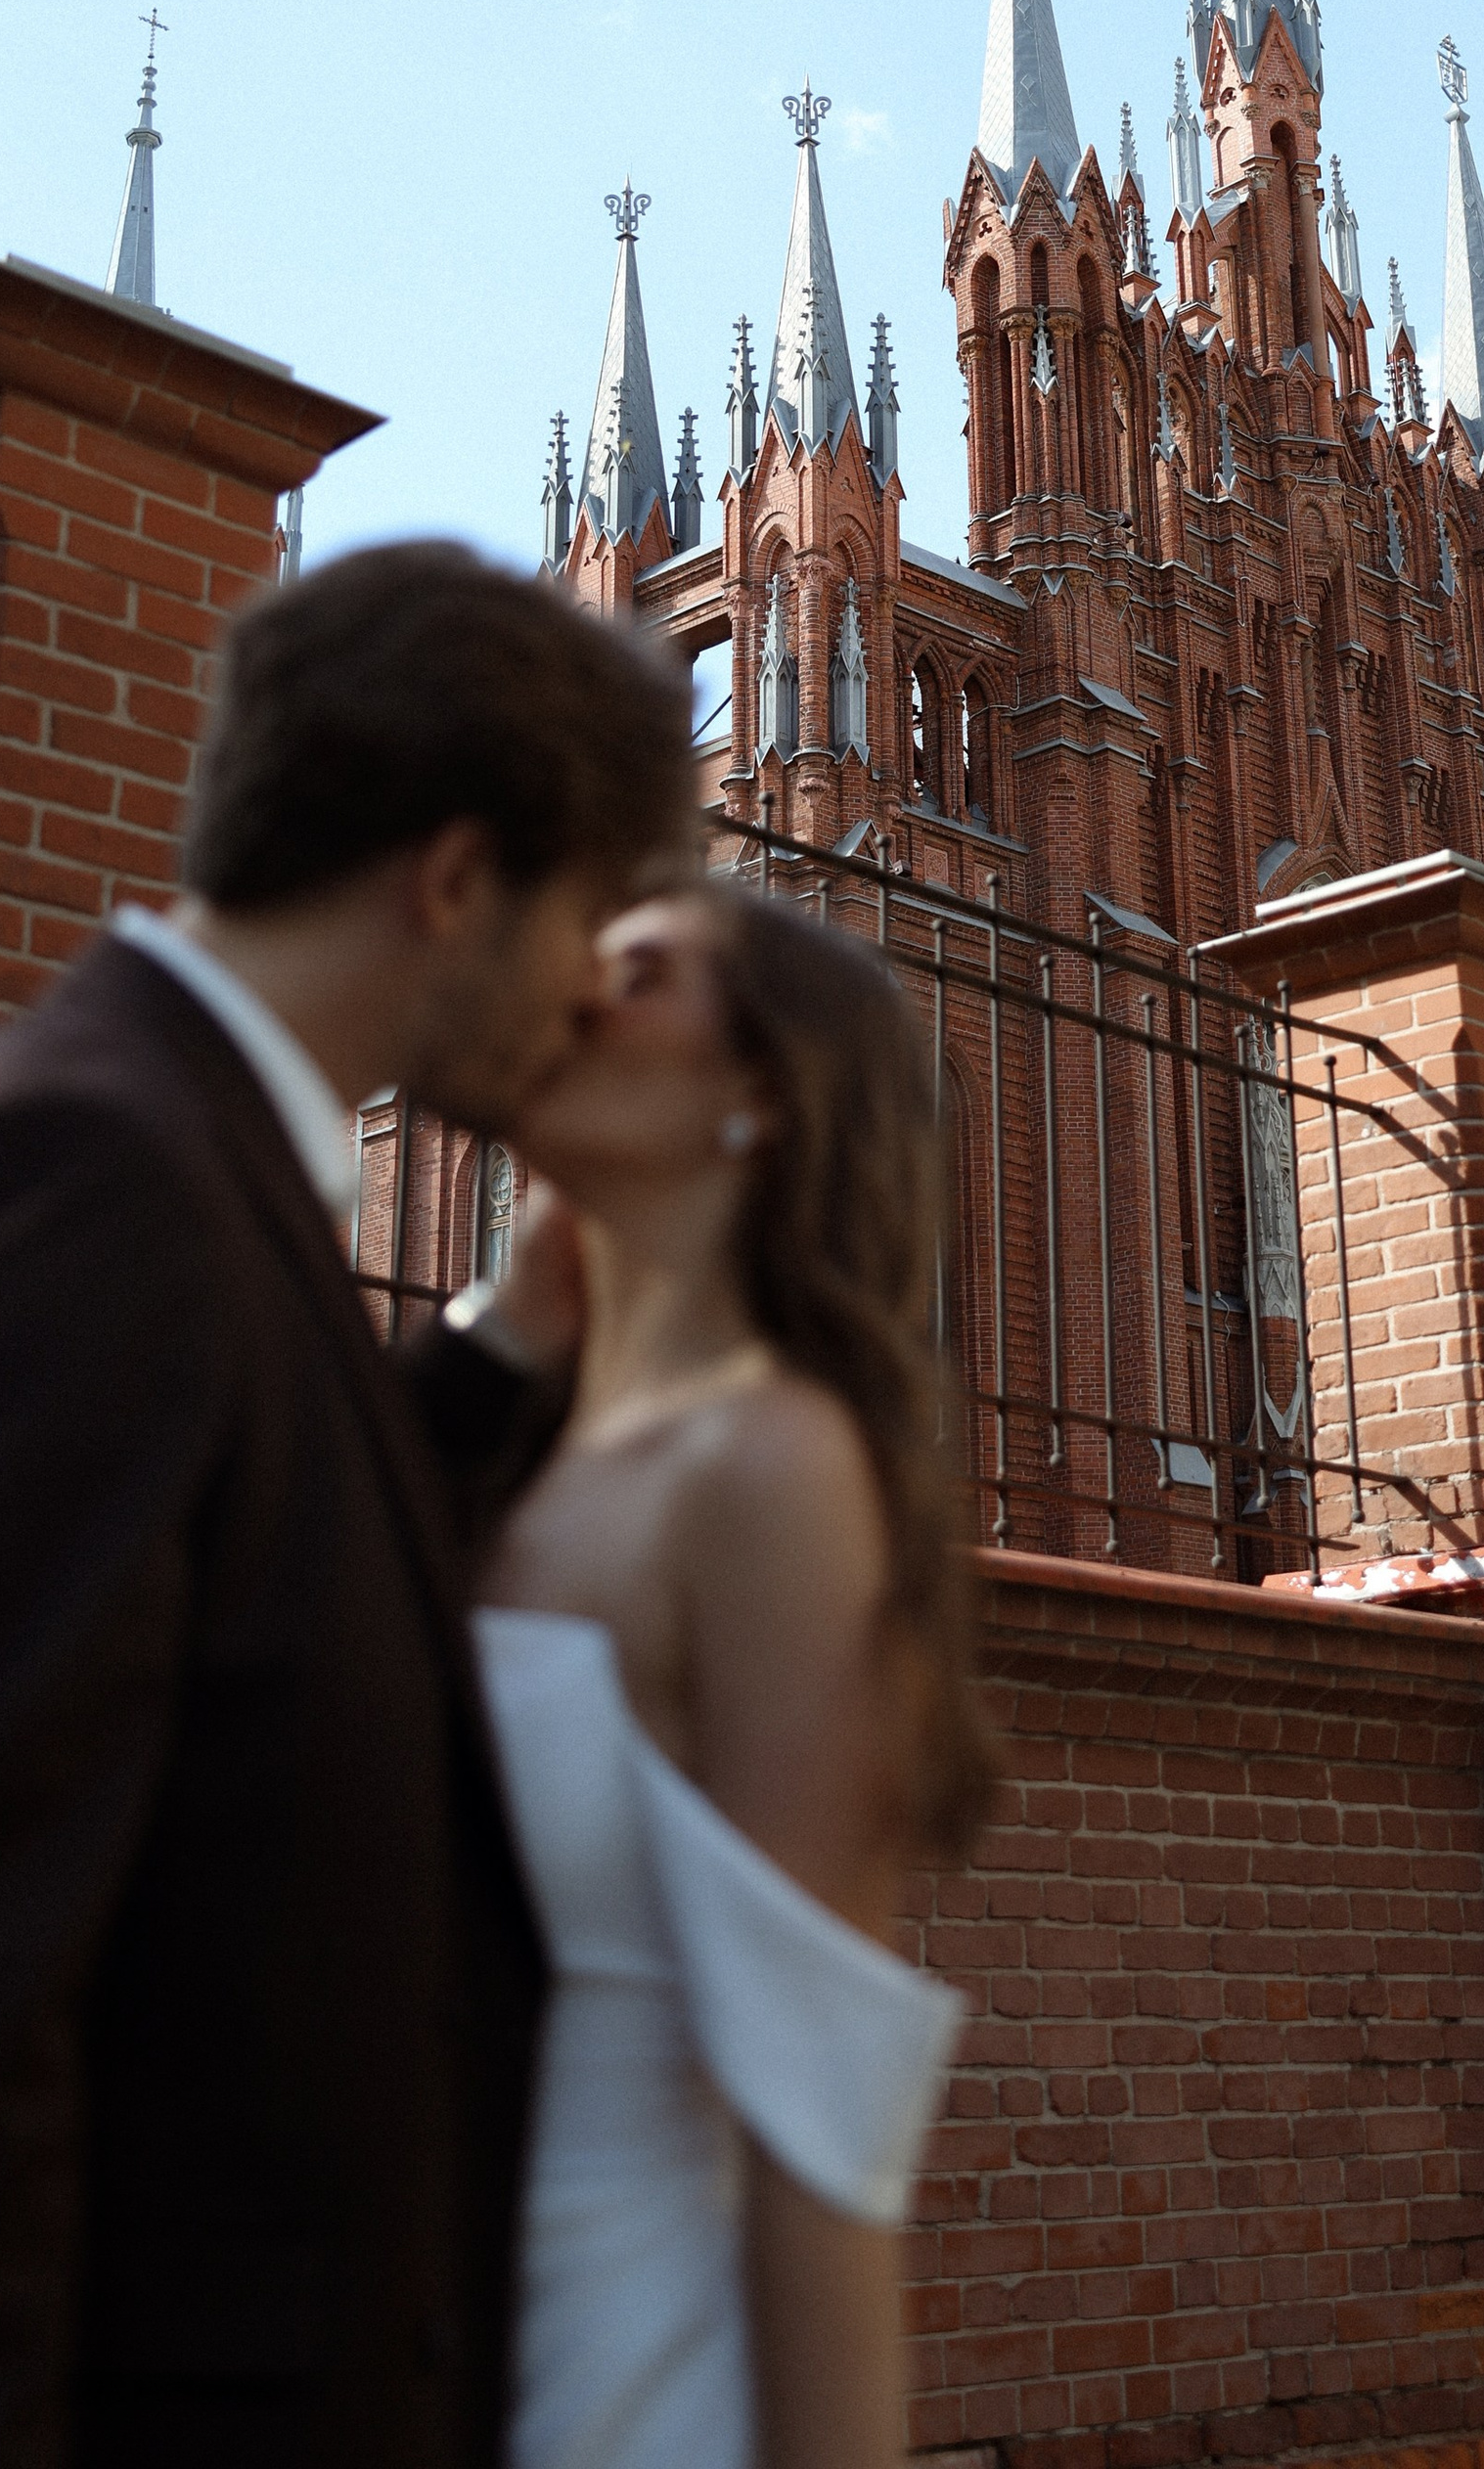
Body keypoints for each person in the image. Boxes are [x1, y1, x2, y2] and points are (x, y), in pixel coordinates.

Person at [0, 539, 695, 2469]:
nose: (591, 998)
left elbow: (240, 1619)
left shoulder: (173, 1161)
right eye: (592, 919)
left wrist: (500, 1350)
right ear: (455, 879)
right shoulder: (89, 1180)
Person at [472, 879, 998, 2469]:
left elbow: (816, 2142)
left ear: (760, 1098)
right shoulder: (515, 1448)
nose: (568, 985)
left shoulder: (774, 1472)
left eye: (638, 973)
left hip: (613, 2385)